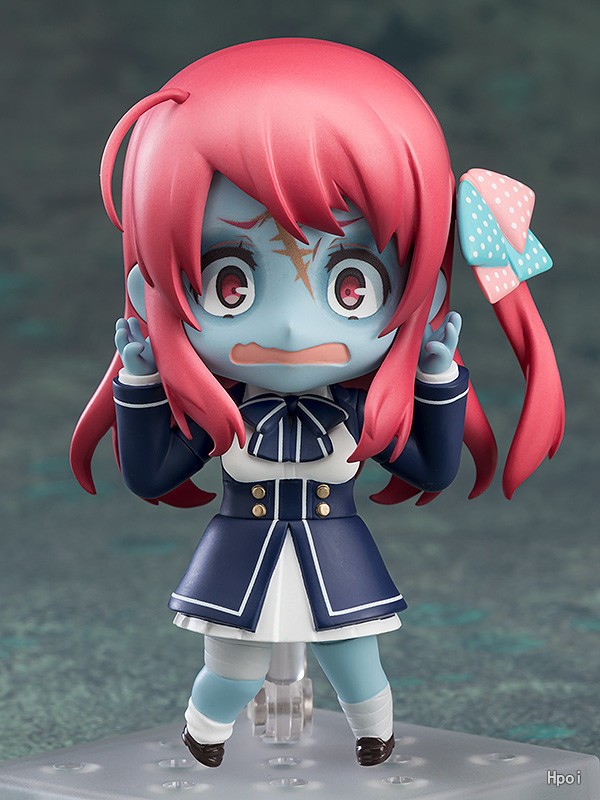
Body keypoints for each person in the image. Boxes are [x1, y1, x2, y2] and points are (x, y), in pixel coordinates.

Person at [70, 39, 564, 768]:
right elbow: (150, 474)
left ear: (422, 286)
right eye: (231, 284)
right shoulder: (224, 413)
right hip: (240, 551)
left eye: (352, 286)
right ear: (152, 288)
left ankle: (375, 734)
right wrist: (140, 382)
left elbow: (431, 468)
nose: (293, 329)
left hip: (337, 551)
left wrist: (437, 379)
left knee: (355, 657)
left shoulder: (353, 414)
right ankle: (203, 737)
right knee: (231, 667)